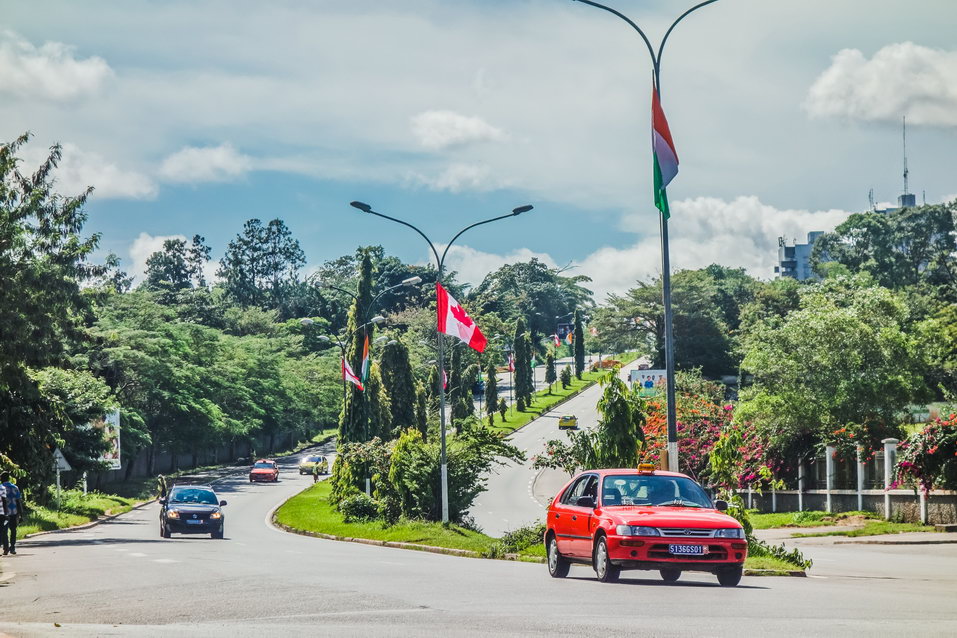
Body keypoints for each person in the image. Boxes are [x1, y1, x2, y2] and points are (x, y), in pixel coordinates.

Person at [1, 472, 23, 556]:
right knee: (13, 530)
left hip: (3, 514)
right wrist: (21, 514)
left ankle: (6, 548)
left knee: (4, 531)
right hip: (14, 512)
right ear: (9, 478)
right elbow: (18, 502)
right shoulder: (15, 488)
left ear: (1, 478)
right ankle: (12, 547)